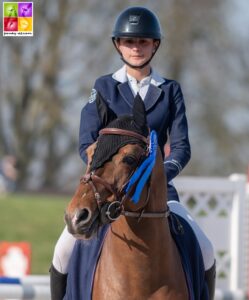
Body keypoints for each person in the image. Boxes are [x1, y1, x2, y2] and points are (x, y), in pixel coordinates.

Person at [50, 6, 216, 299]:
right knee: (62, 250)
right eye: (130, 41)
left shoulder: (169, 90)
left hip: (159, 192)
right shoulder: (104, 88)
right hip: (110, 192)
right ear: (118, 45)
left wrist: (158, 174)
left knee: (205, 249)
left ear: (155, 45)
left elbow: (181, 147)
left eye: (143, 41)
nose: (136, 47)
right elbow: (86, 142)